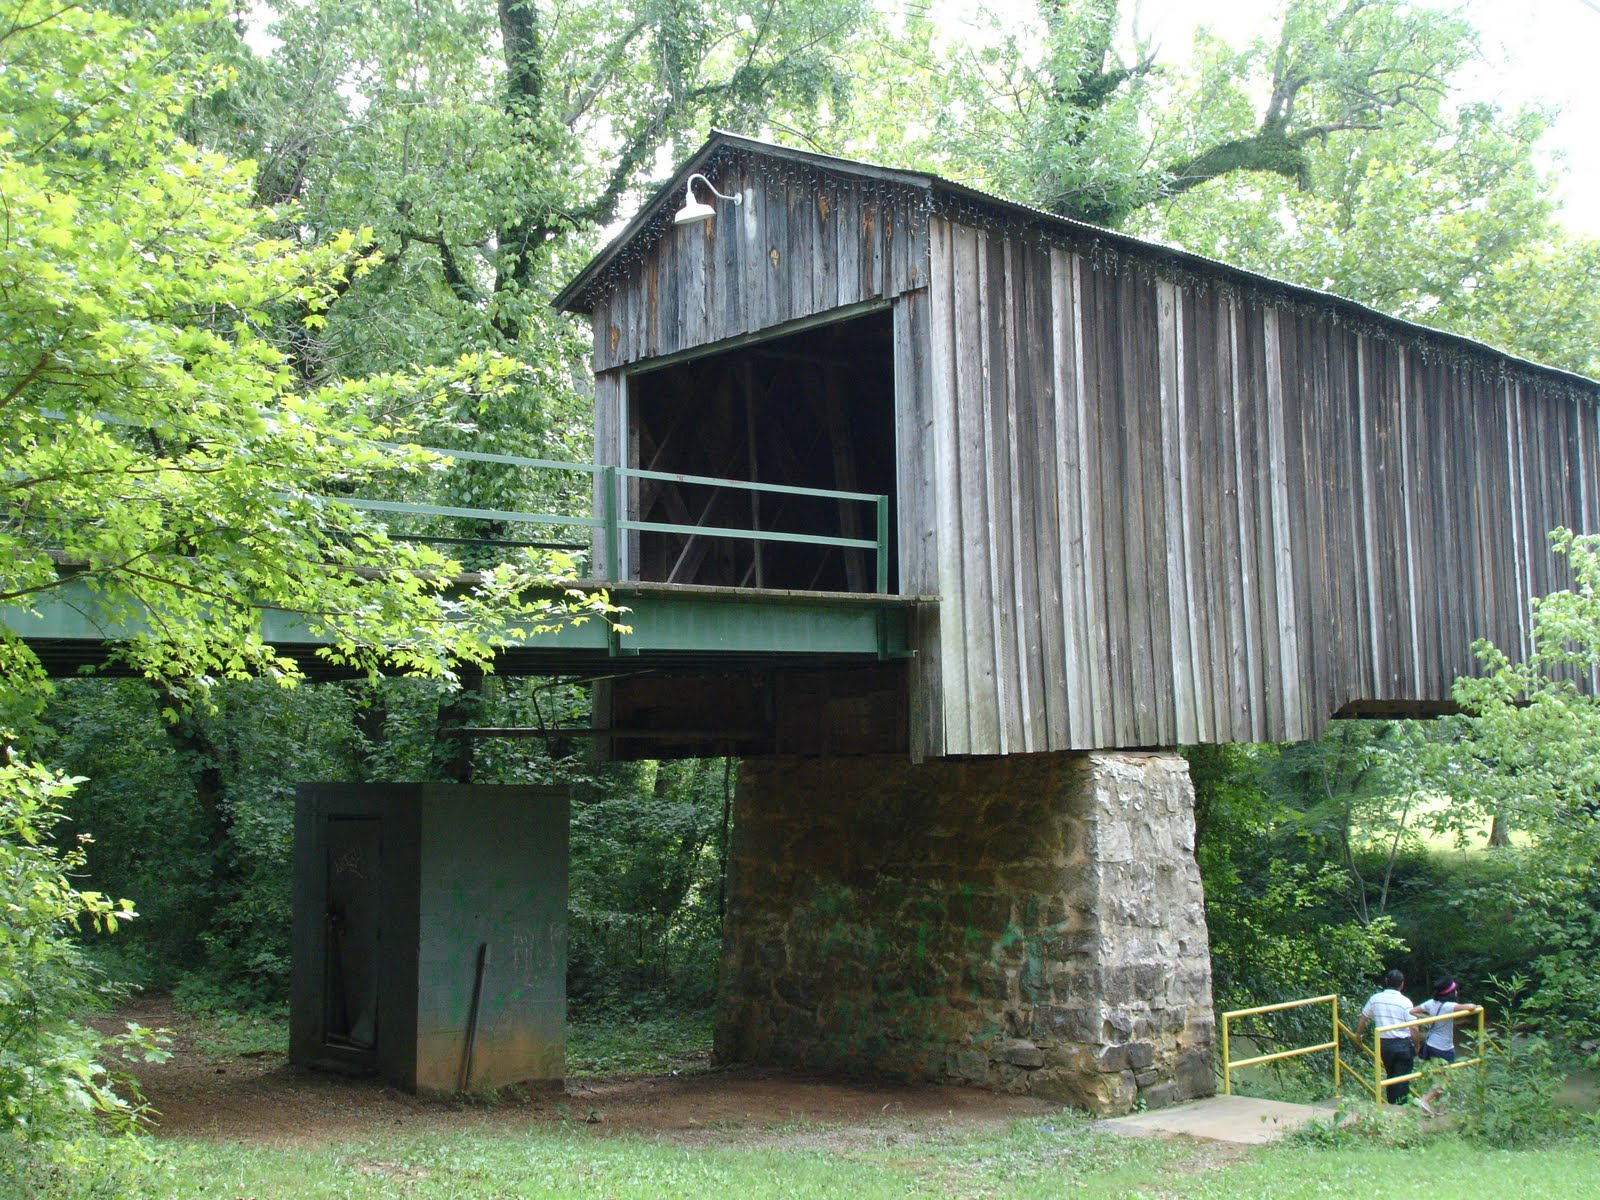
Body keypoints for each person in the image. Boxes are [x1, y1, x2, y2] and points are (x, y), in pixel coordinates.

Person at [1409, 977, 1483, 1115]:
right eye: (1455, 990)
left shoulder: (1431, 1003)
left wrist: (1427, 1018)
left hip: (1431, 1044)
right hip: (1443, 1047)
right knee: (1446, 1078)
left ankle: (1440, 1109)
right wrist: (1476, 1005)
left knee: (1439, 1077)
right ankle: (1424, 1100)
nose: (1457, 992)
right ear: (1450, 992)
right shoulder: (1449, 1006)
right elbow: (1470, 1007)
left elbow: (1412, 1011)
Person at [1355, 968, 1418, 1104]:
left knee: (1391, 1076)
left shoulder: (1375, 999)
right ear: (1402, 984)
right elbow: (1414, 1027)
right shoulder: (1405, 1002)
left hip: (1383, 1044)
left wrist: (1359, 1035)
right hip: (1402, 1044)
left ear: (1386, 981)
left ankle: (1391, 1106)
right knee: (1401, 1079)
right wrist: (1417, 1046)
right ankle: (1400, 1107)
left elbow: (1363, 1017)